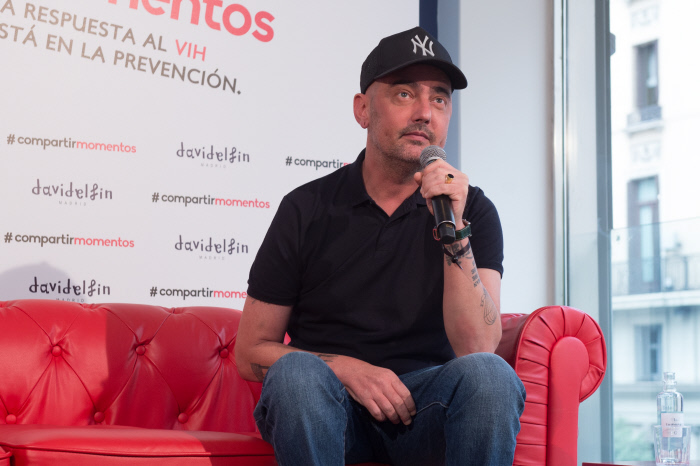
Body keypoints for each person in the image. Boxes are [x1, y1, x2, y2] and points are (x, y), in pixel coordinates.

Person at [235, 26, 526, 466]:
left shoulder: (472, 211)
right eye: (404, 94)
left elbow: (478, 346)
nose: (424, 113)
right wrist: (346, 369)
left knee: (490, 375)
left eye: (440, 99)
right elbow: (250, 352)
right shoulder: (306, 207)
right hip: (324, 404)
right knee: (297, 375)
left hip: (425, 410)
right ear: (363, 110)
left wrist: (453, 229)